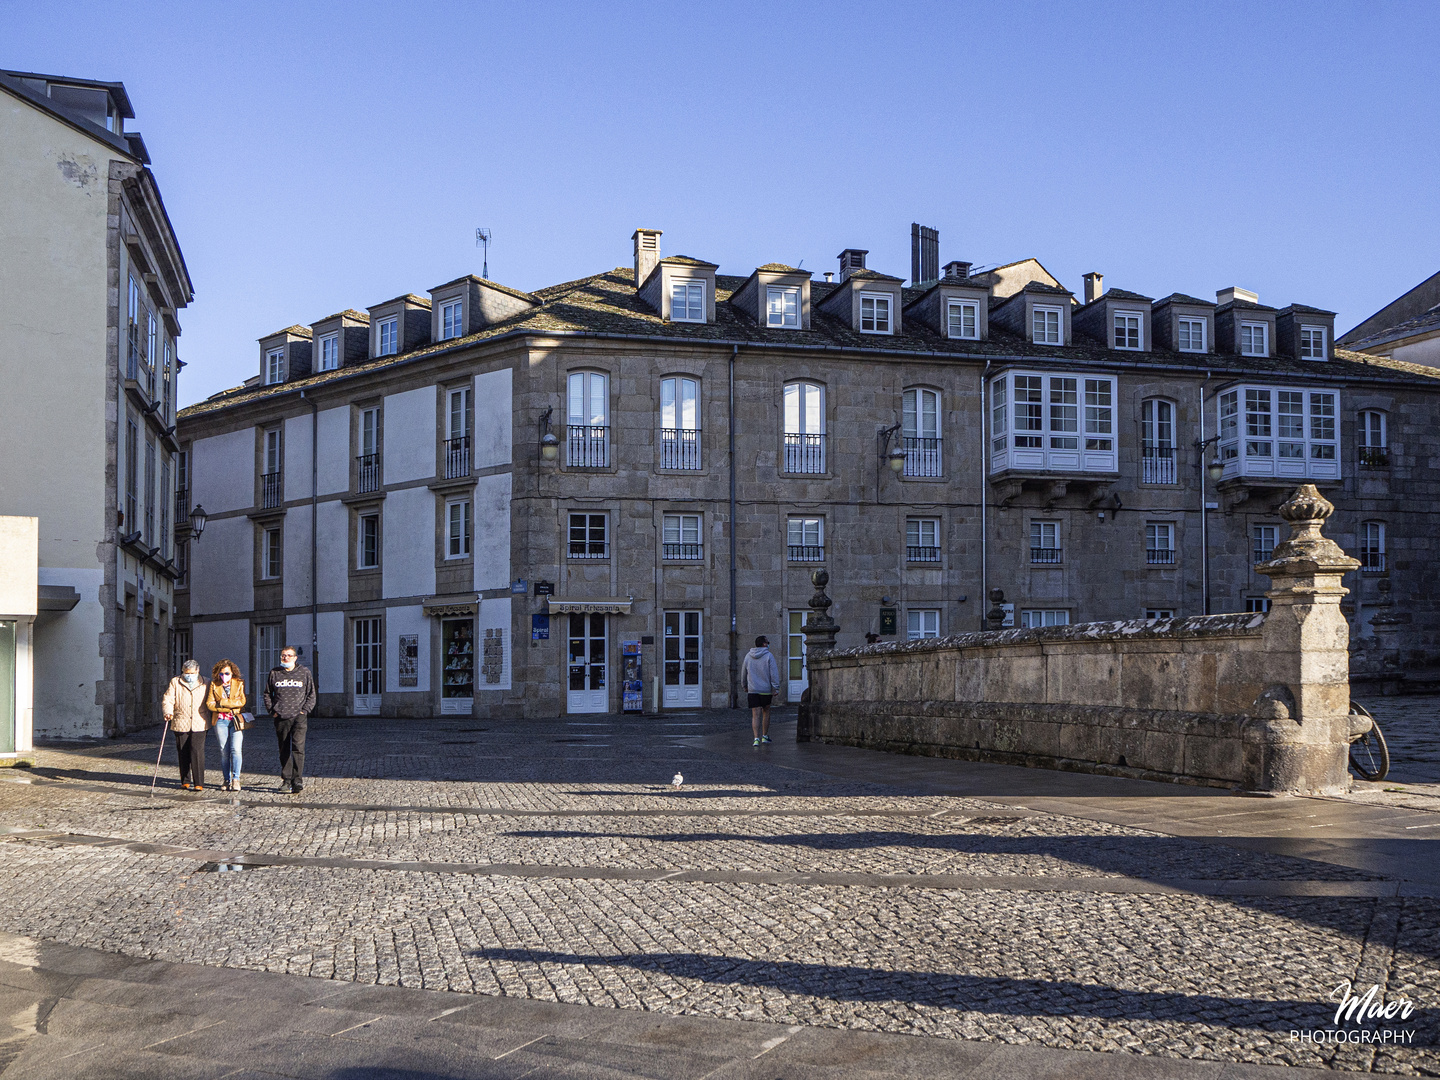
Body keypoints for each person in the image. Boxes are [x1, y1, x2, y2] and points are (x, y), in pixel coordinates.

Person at [264, 645, 316, 794]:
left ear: (295, 658)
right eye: (282, 655)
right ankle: (286, 780)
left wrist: (304, 711)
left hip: (298, 718)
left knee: (298, 749)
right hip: (281, 717)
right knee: (284, 749)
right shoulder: (275, 673)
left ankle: (297, 780)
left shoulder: (304, 673)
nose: (285, 658)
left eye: (288, 655)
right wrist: (272, 711)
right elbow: (267, 693)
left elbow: (311, 694)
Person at [161, 660, 211, 790]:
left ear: (197, 671)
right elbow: (168, 699)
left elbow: (210, 699)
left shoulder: (206, 682)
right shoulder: (175, 682)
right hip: (180, 721)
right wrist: (168, 712)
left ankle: (199, 782)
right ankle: (185, 780)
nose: (189, 675)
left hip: (200, 721)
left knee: (197, 751)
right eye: (186, 673)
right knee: (182, 751)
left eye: (192, 673)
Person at [206, 659, 247, 791]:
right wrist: (228, 705)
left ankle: (236, 779)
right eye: (222, 674)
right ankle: (226, 779)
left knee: (236, 749)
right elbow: (210, 704)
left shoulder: (239, 683)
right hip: (220, 721)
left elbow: (241, 702)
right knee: (224, 751)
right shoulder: (214, 685)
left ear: (232, 673)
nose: (224, 676)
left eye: (227, 673)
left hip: (235, 720)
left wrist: (222, 702)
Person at [741, 635, 781, 747]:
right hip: (765, 690)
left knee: (755, 714)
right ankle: (764, 736)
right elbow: (773, 673)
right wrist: (776, 687)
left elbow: (744, 672)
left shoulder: (748, 656)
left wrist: (744, 686)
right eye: (768, 642)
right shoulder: (769, 656)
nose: (768, 644)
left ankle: (756, 738)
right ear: (764, 644)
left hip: (753, 689)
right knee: (766, 712)